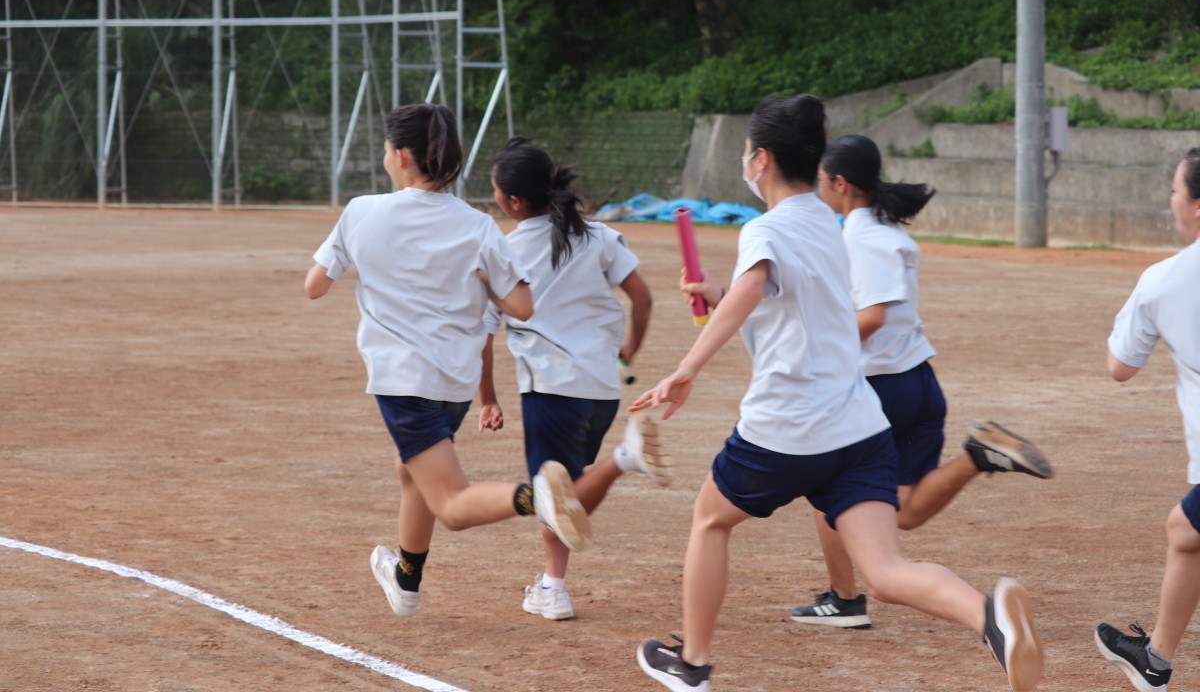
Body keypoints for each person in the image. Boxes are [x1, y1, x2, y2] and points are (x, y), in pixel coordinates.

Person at [630, 93, 1044, 692]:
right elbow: (782, 298)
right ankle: (989, 617)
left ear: (761, 159)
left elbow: (756, 289)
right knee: (883, 571)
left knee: (709, 521)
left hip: (787, 426)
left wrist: (688, 365)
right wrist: (720, 294)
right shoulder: (830, 222)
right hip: (858, 423)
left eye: (747, 152)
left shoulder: (766, 229)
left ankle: (691, 664)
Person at [304, 103, 592, 619]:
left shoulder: (362, 211)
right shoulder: (478, 226)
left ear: (402, 156)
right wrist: (482, 276)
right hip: (454, 384)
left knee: (452, 504)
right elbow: (522, 306)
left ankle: (539, 499)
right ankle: (406, 584)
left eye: (389, 150)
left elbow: (314, 286)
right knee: (412, 471)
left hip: (403, 381)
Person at [790, 134, 1055, 629]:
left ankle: (844, 599)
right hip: (917, 383)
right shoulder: (888, 232)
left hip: (879, 390)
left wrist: (813, 346)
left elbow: (872, 317)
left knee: (826, 488)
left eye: (822, 181)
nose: (819, 188)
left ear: (841, 184)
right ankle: (979, 454)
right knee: (905, 510)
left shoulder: (860, 239)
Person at [480, 137, 668, 621]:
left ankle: (555, 587)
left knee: (552, 491)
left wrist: (488, 398)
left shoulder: (502, 251)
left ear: (513, 201)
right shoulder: (597, 235)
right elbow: (643, 298)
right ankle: (551, 582)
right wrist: (629, 349)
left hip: (551, 387)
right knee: (569, 489)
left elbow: (483, 334)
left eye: (496, 191)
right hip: (602, 388)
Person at [1096, 147, 1200, 692]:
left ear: (1198, 206)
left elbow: (1120, 367)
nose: (1172, 202)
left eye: (1176, 192)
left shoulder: (1164, 280)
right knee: (1186, 530)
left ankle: (1156, 658)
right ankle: (1156, 657)